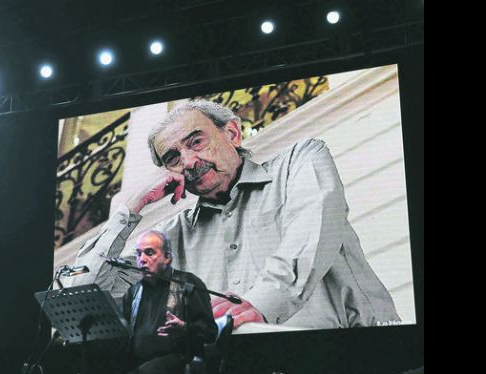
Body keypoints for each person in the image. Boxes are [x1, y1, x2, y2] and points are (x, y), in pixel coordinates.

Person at [75, 99, 399, 330]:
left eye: (196, 141)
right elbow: (87, 294)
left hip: (349, 355)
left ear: (232, 134)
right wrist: (131, 206)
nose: (188, 161)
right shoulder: (171, 236)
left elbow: (312, 232)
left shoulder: (300, 161)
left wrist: (259, 303)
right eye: (173, 157)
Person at [98, 230, 217, 374]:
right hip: (142, 369)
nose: (142, 259)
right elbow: (127, 338)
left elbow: (209, 331)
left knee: (151, 373)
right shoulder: (134, 292)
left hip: (181, 361)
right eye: (139, 253)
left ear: (168, 257)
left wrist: (184, 329)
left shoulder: (187, 284)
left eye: (150, 253)